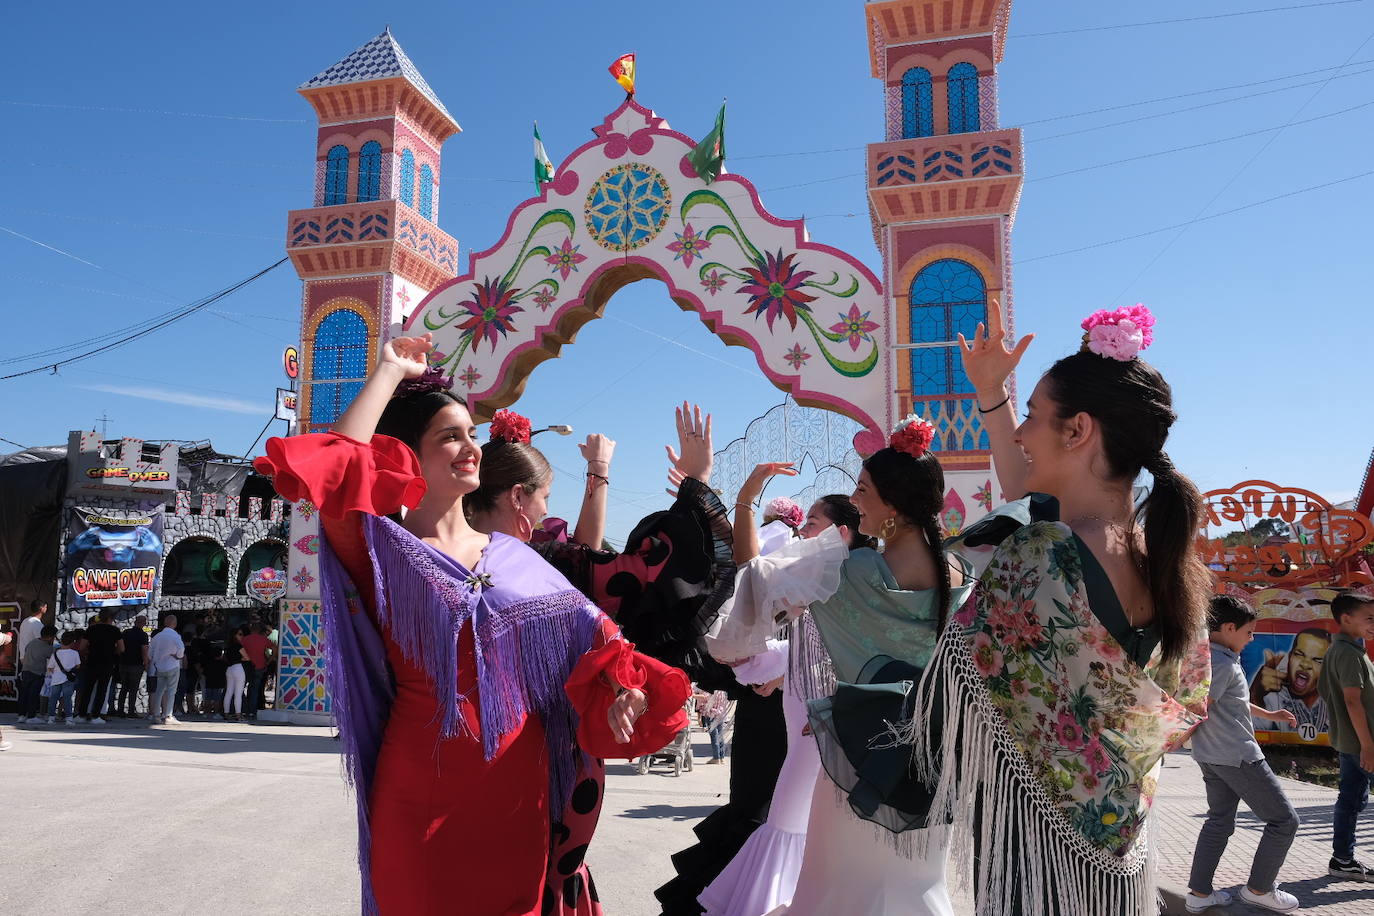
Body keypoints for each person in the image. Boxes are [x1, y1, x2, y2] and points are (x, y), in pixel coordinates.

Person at [252, 333, 690, 915]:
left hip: (518, 794)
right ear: (409, 454)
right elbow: (334, 468)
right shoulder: (382, 549)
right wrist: (386, 372)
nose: (469, 448)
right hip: (417, 792)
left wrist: (621, 689)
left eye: (472, 435)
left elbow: (596, 641)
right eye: (449, 436)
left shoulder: (518, 559)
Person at [909, 301, 1212, 915]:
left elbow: (948, 683)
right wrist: (992, 395)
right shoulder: (1160, 555)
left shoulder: (1041, 551)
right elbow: (1029, 488)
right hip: (1115, 843)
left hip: (1036, 852)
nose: (1019, 434)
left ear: (1077, 431)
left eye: (1030, 417)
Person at [707, 420, 974, 916]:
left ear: (891, 506)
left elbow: (749, 587)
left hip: (856, 751)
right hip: (937, 754)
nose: (856, 500)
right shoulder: (962, 573)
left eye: (863, 489)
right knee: (917, 885)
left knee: (837, 888)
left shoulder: (842, 572)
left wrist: (745, 501)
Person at [697, 493, 871, 916]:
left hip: (821, 720)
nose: (803, 530)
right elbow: (800, 645)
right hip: (805, 715)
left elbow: (845, 654)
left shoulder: (849, 584)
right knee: (796, 823)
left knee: (788, 821)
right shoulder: (820, 581)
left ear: (840, 534)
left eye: (813, 522)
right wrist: (767, 664)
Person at [1186, 595, 1301, 913]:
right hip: (1238, 755)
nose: (1251, 640)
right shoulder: (1222, 662)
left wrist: (1270, 715)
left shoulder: (1210, 657)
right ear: (1228, 627)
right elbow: (1201, 706)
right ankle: (1259, 889)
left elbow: (1225, 701)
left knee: (1219, 822)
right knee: (1284, 821)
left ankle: (1199, 894)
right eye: (1249, 632)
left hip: (1210, 755)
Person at [1316, 591, 1374, 881]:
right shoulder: (1350, 654)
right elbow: (1352, 701)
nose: (1373, 623)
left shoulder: (1340, 650)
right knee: (1351, 801)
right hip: (1365, 744)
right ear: (1346, 619)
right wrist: (1368, 745)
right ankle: (1342, 858)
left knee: (1350, 801)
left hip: (1349, 743)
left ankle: (1342, 860)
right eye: (1369, 618)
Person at [1250, 628, 1331, 735]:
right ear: (1289, 657)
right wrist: (1257, 694)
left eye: (1318, 660)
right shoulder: (1273, 698)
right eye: (1299, 654)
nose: (1305, 664)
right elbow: (1250, 730)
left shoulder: (1333, 697)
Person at [76, 608, 123, 723]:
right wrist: (113, 652)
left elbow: (82, 647)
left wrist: (89, 652)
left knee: (87, 689)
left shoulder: (91, 629)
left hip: (92, 661)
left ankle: (81, 715)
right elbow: (122, 648)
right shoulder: (115, 630)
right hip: (107, 663)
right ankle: (96, 716)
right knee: (102, 690)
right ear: (109, 619)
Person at [148, 613, 184, 725]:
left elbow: (150, 654)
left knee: (159, 691)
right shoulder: (175, 636)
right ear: (175, 624)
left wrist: (156, 660)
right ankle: (168, 715)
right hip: (172, 666)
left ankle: (156, 715)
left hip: (160, 667)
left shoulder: (157, 637)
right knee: (171, 691)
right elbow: (181, 649)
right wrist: (177, 656)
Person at [19, 624, 57, 723]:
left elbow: (26, 650)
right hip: (37, 673)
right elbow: (52, 655)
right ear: (49, 637)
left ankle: (22, 715)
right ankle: (31, 716)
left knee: (24, 694)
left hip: (25, 671)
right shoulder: (46, 647)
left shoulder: (32, 643)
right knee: (33, 695)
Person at [116, 614, 149, 718]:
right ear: (143, 623)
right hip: (136, 665)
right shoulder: (143, 635)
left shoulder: (126, 632)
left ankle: (120, 710)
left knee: (124, 688)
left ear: (135, 622)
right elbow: (144, 650)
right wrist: (146, 663)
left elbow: (119, 646)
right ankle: (130, 711)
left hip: (124, 663)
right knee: (133, 689)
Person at [47, 631, 82, 726]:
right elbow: (78, 666)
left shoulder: (55, 654)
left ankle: (51, 718)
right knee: (67, 699)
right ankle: (69, 719)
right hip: (68, 679)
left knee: (53, 698)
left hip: (56, 678)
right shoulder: (75, 653)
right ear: (72, 642)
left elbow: (50, 667)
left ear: (61, 641)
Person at [240, 623, 272, 720]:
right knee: (255, 690)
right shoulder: (264, 639)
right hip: (260, 666)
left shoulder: (245, 639)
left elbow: (240, 651)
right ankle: (252, 711)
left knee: (241, 688)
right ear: (259, 630)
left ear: (251, 629)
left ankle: (244, 707)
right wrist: (268, 661)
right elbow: (275, 648)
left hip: (246, 666)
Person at [223, 625, 249, 722]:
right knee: (238, 693)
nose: (241, 636)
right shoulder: (239, 646)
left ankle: (226, 713)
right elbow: (247, 657)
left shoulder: (228, 646)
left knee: (229, 692)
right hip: (238, 668)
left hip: (229, 669)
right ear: (235, 635)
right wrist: (241, 658)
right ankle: (238, 715)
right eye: (240, 634)